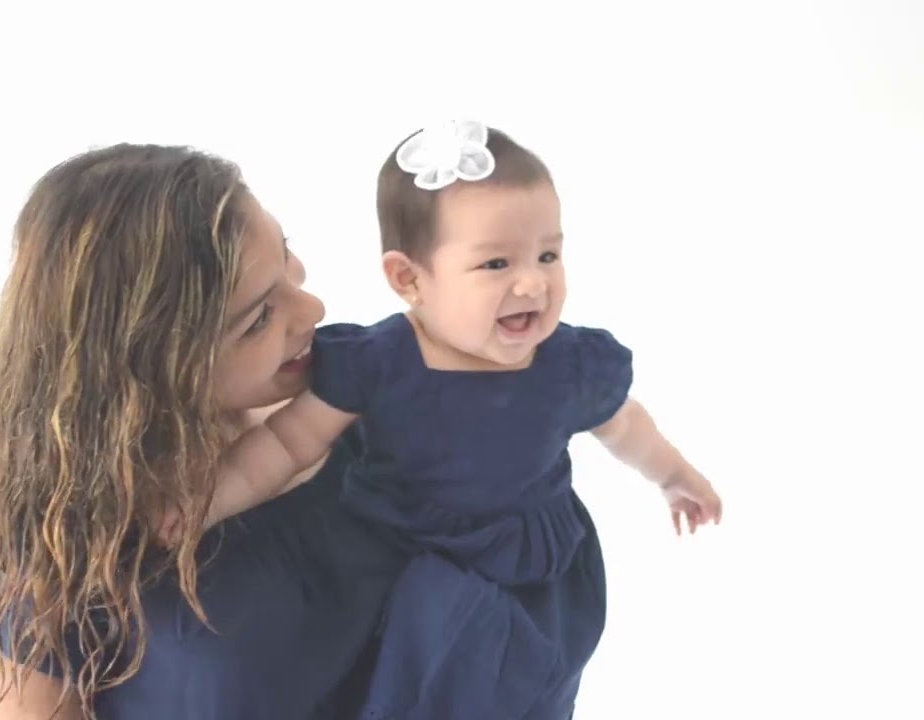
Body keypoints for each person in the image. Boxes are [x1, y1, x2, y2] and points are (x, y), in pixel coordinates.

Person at [173, 121, 725, 719]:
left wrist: (675, 477)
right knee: (412, 661)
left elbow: (624, 426)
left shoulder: (567, 363)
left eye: (548, 254)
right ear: (409, 278)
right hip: (407, 545)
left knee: (522, 677)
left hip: (529, 561)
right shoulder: (380, 363)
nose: (533, 282)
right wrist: (204, 504)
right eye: (496, 263)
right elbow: (286, 445)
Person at [0, 144, 410, 720]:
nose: (313, 308)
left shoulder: (364, 389)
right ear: (150, 366)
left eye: (286, 253)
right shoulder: (50, 542)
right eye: (258, 319)